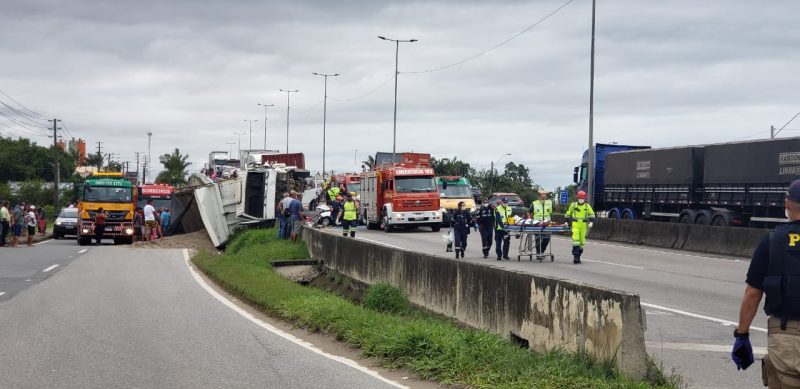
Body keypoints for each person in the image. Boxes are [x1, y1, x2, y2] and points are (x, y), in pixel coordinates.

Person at [734, 179, 800, 386]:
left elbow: (753, 294)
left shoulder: (771, 242)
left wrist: (742, 335)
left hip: (788, 337)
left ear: (787, 204)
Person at [565, 191, 595, 264]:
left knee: (582, 242)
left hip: (583, 225)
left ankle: (578, 256)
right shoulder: (573, 205)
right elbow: (568, 213)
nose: (581, 200)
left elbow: (592, 214)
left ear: (584, 199)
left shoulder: (587, 206)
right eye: (580, 198)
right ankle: (575, 256)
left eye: (582, 198)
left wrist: (591, 221)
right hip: (575, 224)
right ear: (577, 198)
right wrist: (566, 221)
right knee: (576, 240)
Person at [528, 190, 554, 254]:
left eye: (544, 195)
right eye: (542, 195)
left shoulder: (549, 203)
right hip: (537, 224)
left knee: (547, 238)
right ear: (539, 196)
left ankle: (542, 251)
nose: (543, 196)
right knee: (538, 239)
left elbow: (551, 213)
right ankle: (538, 253)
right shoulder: (534, 203)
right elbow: (529, 212)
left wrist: (551, 221)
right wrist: (529, 220)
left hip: (547, 224)